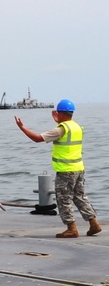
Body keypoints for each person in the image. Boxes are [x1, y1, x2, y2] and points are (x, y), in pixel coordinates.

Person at [15, 98, 100, 238]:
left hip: (66, 171)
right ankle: (93, 223)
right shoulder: (77, 127)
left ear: (60, 113)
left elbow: (37, 138)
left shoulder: (61, 129)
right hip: (79, 168)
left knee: (63, 199)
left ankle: (71, 228)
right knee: (80, 196)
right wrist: (60, 122)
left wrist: (22, 127)